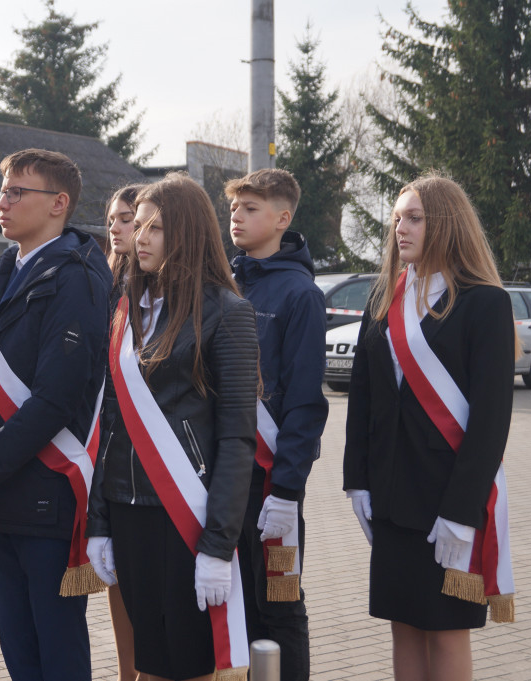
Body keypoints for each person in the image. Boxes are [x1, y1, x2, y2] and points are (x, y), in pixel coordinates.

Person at [0, 149, 112, 681]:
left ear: (58, 204)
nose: (3, 203)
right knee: (16, 640)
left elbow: (55, 398)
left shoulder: (77, 278)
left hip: (46, 488)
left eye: (17, 193)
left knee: (54, 645)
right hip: (0, 492)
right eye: (1, 192)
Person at [343, 173, 516, 681]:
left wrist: (463, 514)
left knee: (444, 630)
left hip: (448, 502)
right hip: (392, 497)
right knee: (403, 625)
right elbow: (363, 398)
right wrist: (357, 479)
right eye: (397, 218)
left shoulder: (484, 302)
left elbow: (490, 421)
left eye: (414, 218)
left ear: (445, 222)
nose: (401, 228)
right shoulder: (385, 298)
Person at [87, 173, 258, 681]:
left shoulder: (228, 314)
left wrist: (217, 545)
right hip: (129, 510)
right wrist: (99, 523)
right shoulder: (127, 314)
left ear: (185, 233)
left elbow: (236, 440)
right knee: (152, 665)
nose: (139, 238)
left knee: (192, 667)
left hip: (188, 515)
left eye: (154, 229)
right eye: (137, 226)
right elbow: (111, 423)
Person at [226, 169, 328, 681]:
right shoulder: (226, 280)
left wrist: (287, 491)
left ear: (282, 219)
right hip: (223, 481)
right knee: (235, 605)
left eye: (250, 208)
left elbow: (306, 404)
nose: (236, 217)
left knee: (280, 608)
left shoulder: (300, 294)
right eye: (234, 208)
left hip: (271, 488)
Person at [86, 183, 144, 681]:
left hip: (144, 453)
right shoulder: (101, 282)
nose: (117, 228)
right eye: (112, 219)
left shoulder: (150, 290)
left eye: (127, 218)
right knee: (116, 583)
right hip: (102, 446)